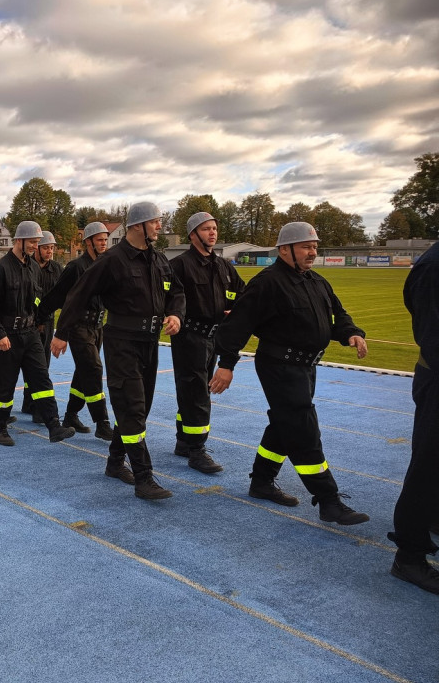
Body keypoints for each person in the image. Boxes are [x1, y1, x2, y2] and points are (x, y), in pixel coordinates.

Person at [212, 221, 370, 525]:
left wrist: (351, 333)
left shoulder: (317, 281)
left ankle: (261, 481)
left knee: (285, 425)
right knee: (303, 428)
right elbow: (235, 327)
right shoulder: (267, 283)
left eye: (314, 246)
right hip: (279, 366)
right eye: (305, 247)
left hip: (306, 367)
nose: (312, 252)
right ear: (285, 249)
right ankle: (329, 501)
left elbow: (337, 314)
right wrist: (227, 365)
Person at [53, 202, 184, 499]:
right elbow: (79, 294)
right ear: (138, 226)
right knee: (133, 407)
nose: (159, 227)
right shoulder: (112, 260)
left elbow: (176, 291)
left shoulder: (160, 260)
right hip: (122, 341)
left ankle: (114, 463)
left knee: (140, 408)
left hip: (149, 343)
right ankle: (144, 477)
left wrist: (175, 314)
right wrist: (62, 333)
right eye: (155, 222)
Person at [0, 220, 75, 447]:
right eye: (33, 242)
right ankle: (0, 428)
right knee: (5, 384)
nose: (36, 246)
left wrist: (40, 321)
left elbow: (37, 301)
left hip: (30, 332)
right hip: (7, 336)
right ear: (19, 241)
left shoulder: (33, 268)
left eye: (38, 242)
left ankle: (53, 425)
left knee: (41, 379)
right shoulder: (0, 269)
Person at [169, 212, 246, 474]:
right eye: (205, 229)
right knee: (197, 392)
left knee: (195, 389)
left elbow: (240, 294)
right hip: (189, 336)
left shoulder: (224, 266)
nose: (212, 233)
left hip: (214, 337)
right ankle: (197, 450)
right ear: (192, 235)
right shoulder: (180, 265)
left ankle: (184, 440)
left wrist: (234, 309)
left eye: (214, 228)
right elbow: (171, 298)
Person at [389, 240, 439, 592]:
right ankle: (410, 555)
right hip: (437, 377)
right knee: (428, 465)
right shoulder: (434, 267)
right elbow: (432, 336)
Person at [38, 221, 115, 441]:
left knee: (83, 372)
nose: (103, 243)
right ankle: (102, 423)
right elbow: (57, 296)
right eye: (99, 239)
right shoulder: (75, 267)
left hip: (98, 326)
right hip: (79, 326)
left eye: (105, 239)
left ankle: (71, 415)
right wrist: (40, 317)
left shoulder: (105, 264)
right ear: (88, 241)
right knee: (93, 369)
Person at [22, 230, 62, 422]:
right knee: (34, 366)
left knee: (43, 364)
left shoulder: (56, 269)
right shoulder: (28, 267)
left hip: (47, 322)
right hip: (30, 322)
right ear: (36, 249)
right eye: (46, 247)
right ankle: (33, 405)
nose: (49, 251)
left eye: (51, 248)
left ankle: (32, 403)